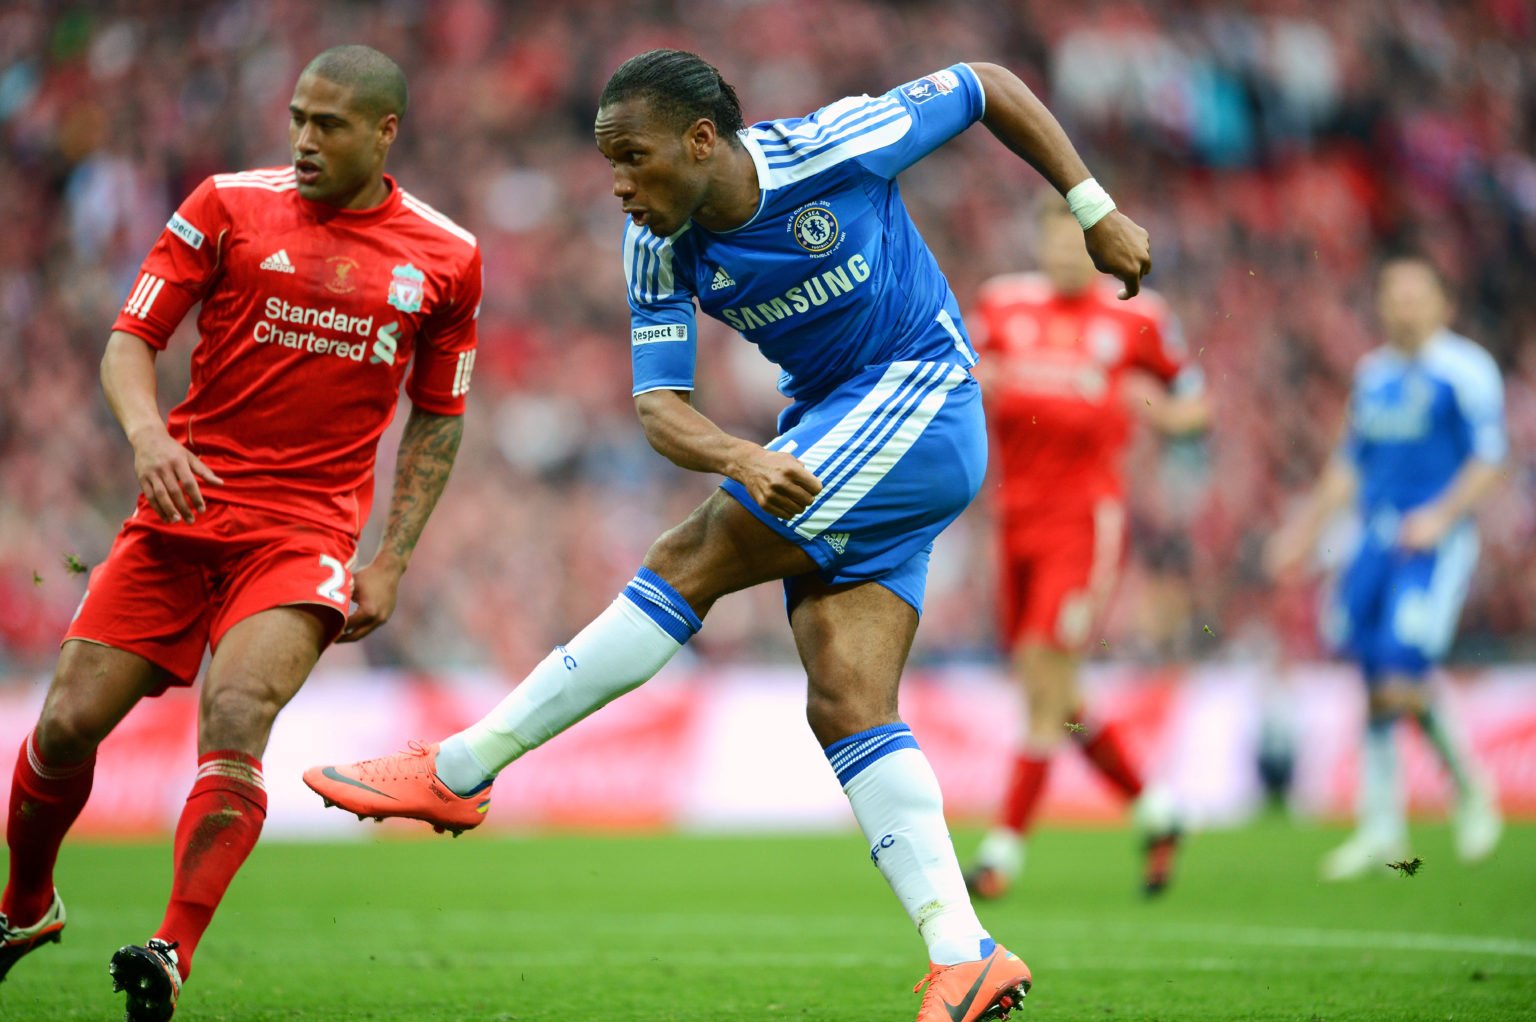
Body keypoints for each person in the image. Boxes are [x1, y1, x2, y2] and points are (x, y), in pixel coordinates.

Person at [308, 49, 1150, 1021]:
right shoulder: (654, 242)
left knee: (689, 557)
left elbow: (987, 84)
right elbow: (661, 410)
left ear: (702, 140)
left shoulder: (834, 148)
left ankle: (461, 767)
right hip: (832, 431)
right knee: (844, 701)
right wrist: (742, 457)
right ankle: (966, 951)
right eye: (608, 162)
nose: (620, 184)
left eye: (635, 157)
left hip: (924, 397)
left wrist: (1092, 207)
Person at [0, 45, 482, 1021]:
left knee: (237, 715)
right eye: (299, 116)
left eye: (330, 124)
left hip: (301, 533)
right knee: (63, 724)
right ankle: (24, 906)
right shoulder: (225, 204)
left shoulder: (448, 256)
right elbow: (131, 340)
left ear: (385, 133)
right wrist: (146, 438)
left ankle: (169, 948)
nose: (305, 138)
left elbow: (440, 411)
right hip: (179, 513)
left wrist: (389, 556)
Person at [963, 195, 1208, 901]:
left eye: (1079, 243)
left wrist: (1148, 404)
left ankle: (1001, 853)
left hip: (1084, 521)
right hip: (1013, 520)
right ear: (1038, 246)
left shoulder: (1140, 316)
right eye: (1055, 242)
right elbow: (961, 376)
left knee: (1043, 683)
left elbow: (1197, 407)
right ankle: (1159, 812)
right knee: (1059, 692)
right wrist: (979, 383)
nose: (1067, 255)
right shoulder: (1002, 305)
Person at [1265, 255, 1505, 881]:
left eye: (1415, 295)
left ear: (1441, 303)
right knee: (1374, 684)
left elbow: (1489, 461)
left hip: (1431, 546)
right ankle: (1381, 829)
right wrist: (1303, 532)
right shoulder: (1372, 375)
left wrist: (1441, 516)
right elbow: (1348, 465)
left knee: (1401, 679)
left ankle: (1471, 789)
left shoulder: (1465, 369)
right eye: (1393, 295)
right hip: (1370, 543)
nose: (1403, 306)